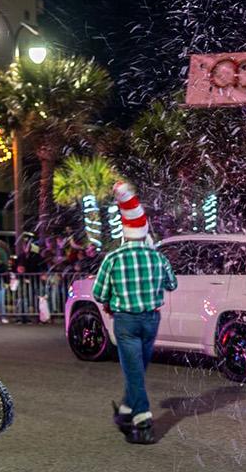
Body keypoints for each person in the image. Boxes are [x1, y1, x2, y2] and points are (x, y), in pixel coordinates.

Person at [92, 183, 176, 445]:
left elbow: (98, 293)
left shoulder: (113, 258)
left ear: (125, 234)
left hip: (126, 320)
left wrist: (112, 298)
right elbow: (172, 284)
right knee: (137, 370)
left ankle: (144, 423)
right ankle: (126, 412)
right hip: (151, 319)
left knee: (134, 371)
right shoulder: (157, 258)